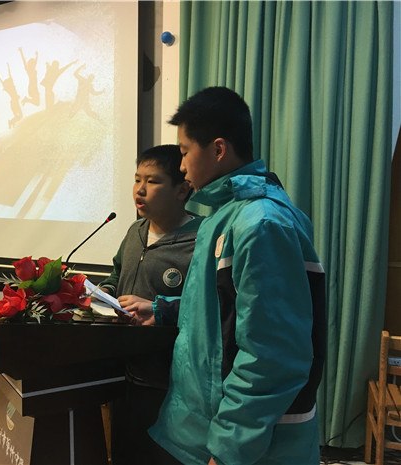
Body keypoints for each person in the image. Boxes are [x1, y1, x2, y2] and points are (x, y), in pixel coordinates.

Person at [140, 87, 326, 465]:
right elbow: (224, 311)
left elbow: (271, 355)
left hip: (248, 447)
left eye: (184, 151)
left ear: (218, 150)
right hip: (202, 431)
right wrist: (164, 309)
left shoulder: (261, 223)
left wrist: (229, 450)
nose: (181, 166)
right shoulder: (227, 216)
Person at [97, 144, 202, 465]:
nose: (140, 190)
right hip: (124, 374)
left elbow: (209, 307)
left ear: (182, 190)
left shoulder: (201, 239)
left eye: (153, 181)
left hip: (169, 383)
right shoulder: (135, 231)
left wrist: (159, 308)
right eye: (137, 179)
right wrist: (102, 293)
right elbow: (117, 275)